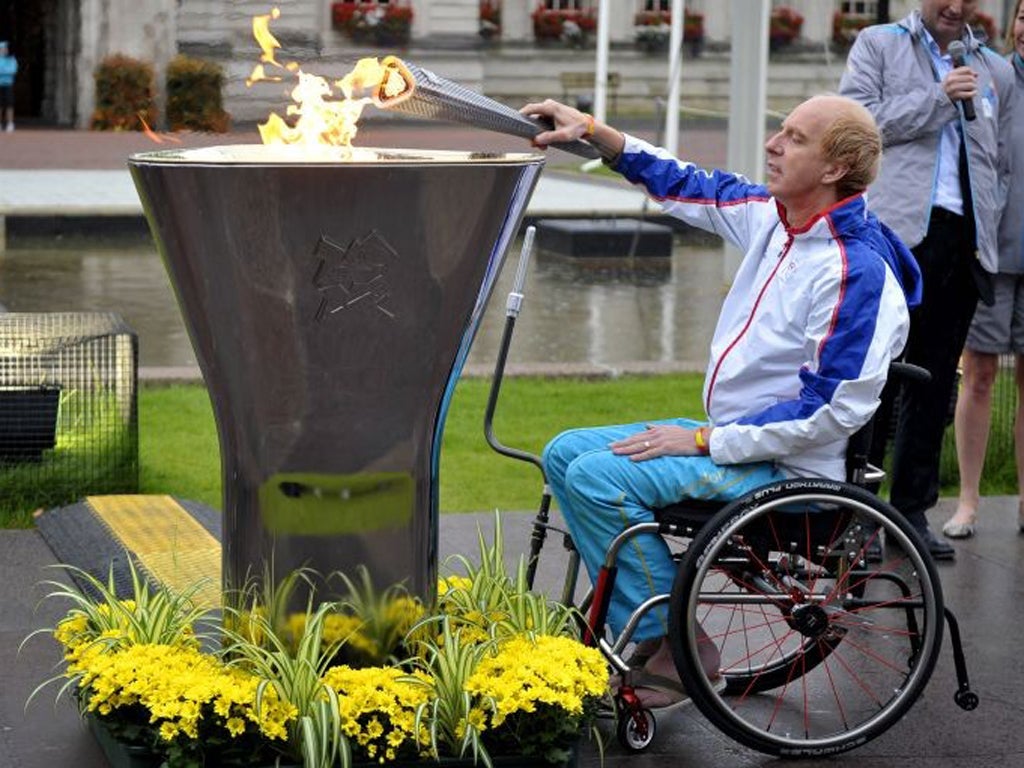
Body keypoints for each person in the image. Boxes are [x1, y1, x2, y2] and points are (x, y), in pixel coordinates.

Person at [521, 94, 921, 707]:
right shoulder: (771, 216)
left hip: (789, 470)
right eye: (779, 130)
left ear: (836, 167)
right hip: (734, 440)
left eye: (795, 137)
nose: (773, 143)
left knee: (600, 478)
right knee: (563, 451)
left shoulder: (856, 270)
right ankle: (649, 615)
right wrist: (594, 132)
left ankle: (674, 643)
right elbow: (684, 181)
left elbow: (832, 409)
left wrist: (707, 439)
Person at [839, 0, 1016, 560]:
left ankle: (911, 511)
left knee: (935, 380)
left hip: (964, 241)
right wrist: (939, 98)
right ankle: (852, 513)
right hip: (894, 237)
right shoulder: (878, 45)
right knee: (876, 377)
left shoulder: (995, 68)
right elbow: (857, 127)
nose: (956, 6)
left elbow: (1002, 160)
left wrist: (990, 227)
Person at [944, 0, 1024, 539]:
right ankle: (968, 502)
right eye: (1023, 17)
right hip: (992, 253)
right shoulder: (993, 74)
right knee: (979, 376)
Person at [0, 41, 16, 132]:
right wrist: (6, 70)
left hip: (8, 85)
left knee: (10, 104)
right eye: (2, 48)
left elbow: (13, 70)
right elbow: (7, 71)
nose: (4, 50)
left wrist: (2, 70)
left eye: (5, 48)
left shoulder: (12, 59)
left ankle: (10, 123)